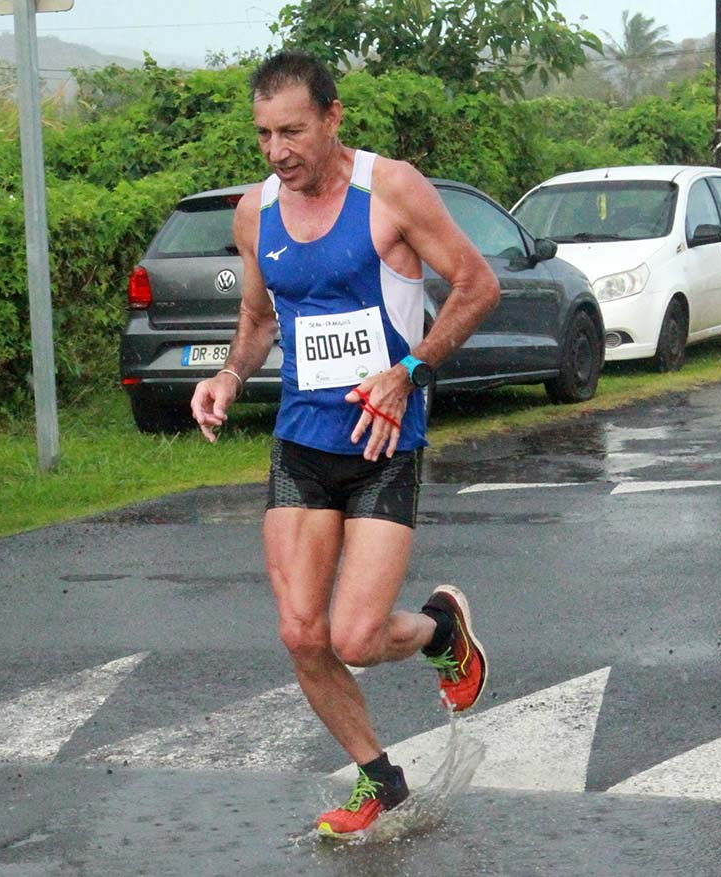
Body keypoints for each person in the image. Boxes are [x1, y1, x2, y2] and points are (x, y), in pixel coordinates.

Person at [190, 50, 502, 838]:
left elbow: (477, 284)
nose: (276, 150)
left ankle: (439, 629)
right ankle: (379, 779)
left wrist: (409, 370)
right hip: (302, 439)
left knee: (357, 636)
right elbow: (259, 321)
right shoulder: (253, 212)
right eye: (263, 133)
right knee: (301, 631)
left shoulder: (388, 189)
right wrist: (228, 375)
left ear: (332, 117)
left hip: (385, 442)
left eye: (292, 130)